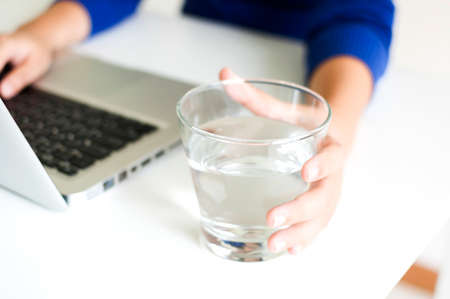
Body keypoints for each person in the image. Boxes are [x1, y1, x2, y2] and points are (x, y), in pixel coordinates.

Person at [0, 0, 394, 254]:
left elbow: (357, 15)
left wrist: (335, 122)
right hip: (197, 67)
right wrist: (37, 36)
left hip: (308, 78)